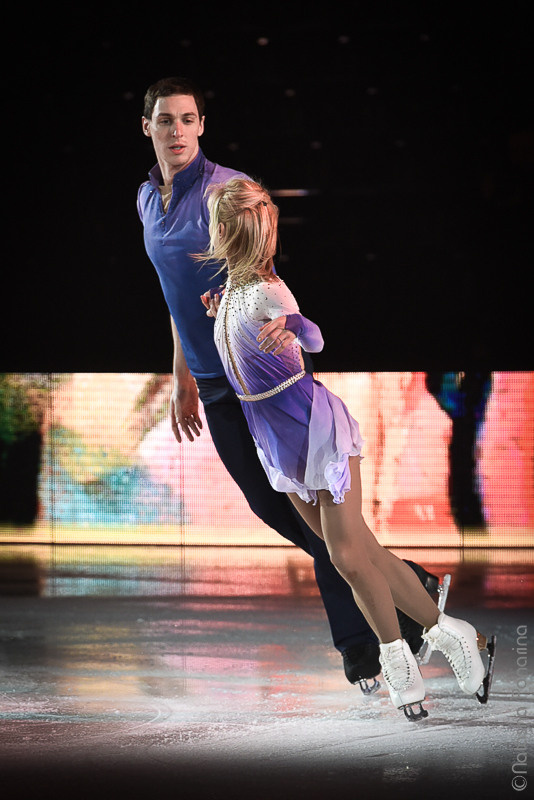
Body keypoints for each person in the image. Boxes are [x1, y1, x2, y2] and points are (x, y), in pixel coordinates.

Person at [137, 76, 440, 692]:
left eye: (188, 119)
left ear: (202, 126)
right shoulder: (146, 200)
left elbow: (262, 265)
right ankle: (410, 585)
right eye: (165, 120)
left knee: (317, 528)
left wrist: (278, 321)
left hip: (264, 381)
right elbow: (174, 296)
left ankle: (362, 648)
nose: (177, 131)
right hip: (217, 385)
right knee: (277, 513)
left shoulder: (226, 189)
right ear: (147, 127)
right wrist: (181, 376)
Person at [197, 176, 492, 719]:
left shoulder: (268, 289)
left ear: (228, 232)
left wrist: (291, 325)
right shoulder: (235, 292)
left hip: (315, 432)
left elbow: (315, 338)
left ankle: (397, 660)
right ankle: (454, 638)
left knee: (346, 556)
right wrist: (225, 313)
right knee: (365, 553)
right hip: (278, 446)